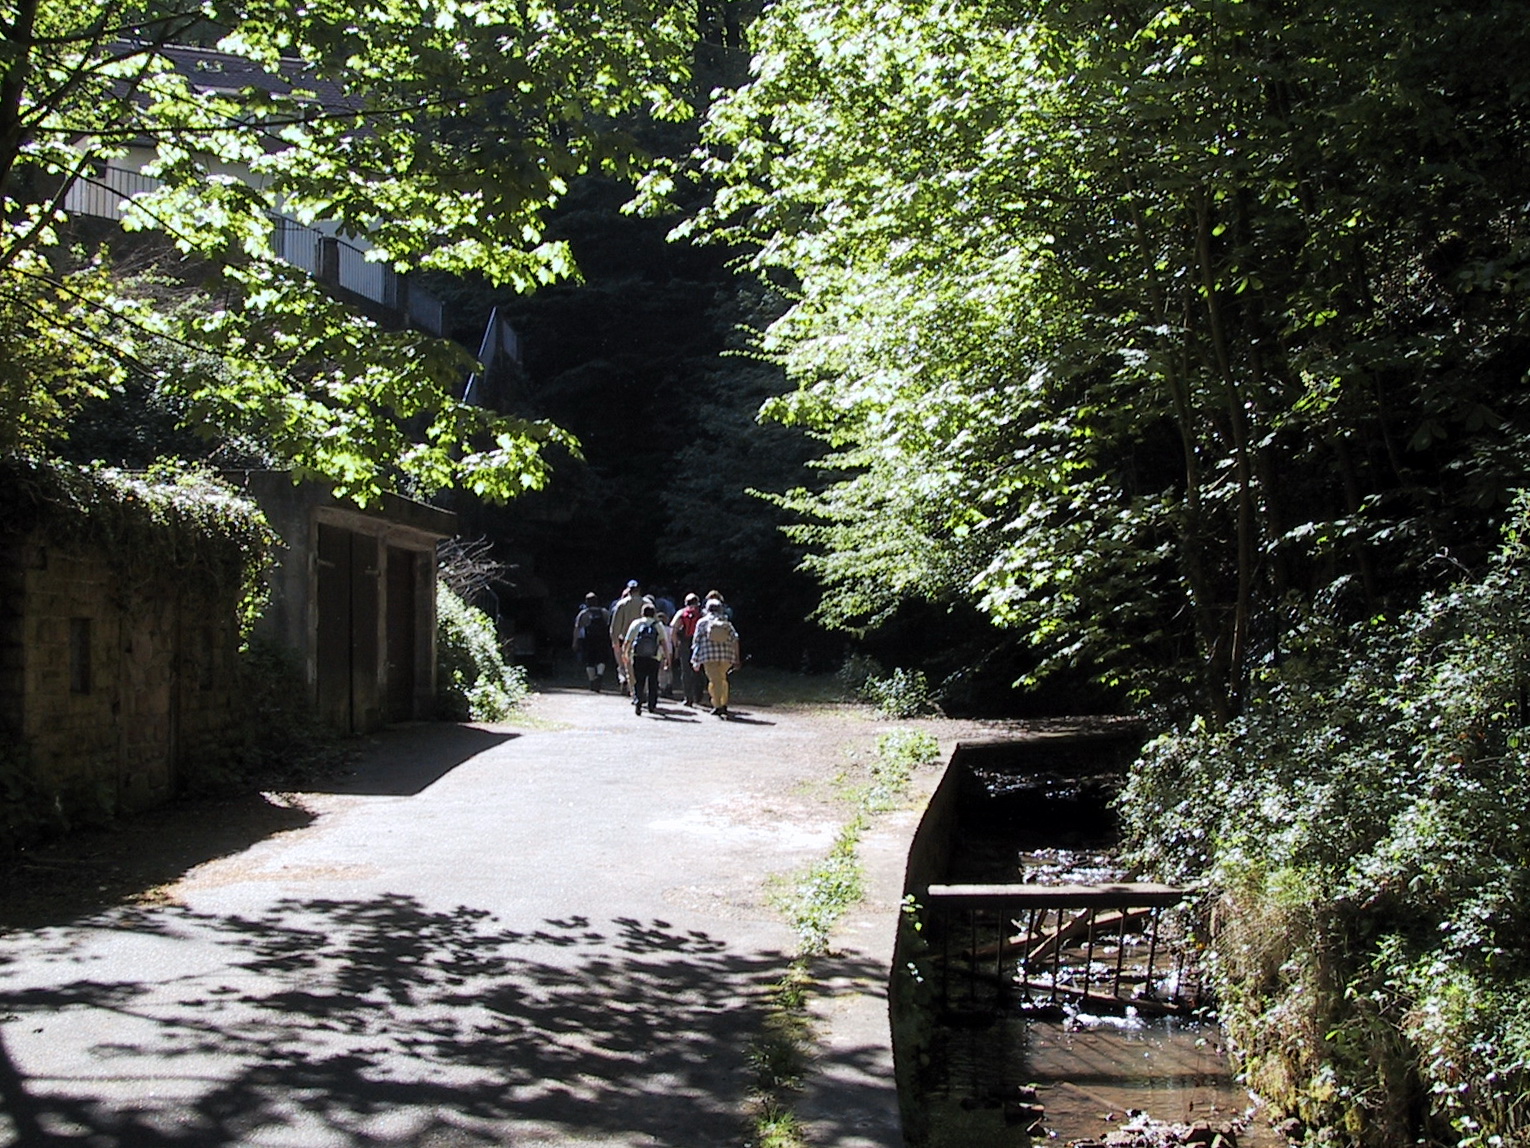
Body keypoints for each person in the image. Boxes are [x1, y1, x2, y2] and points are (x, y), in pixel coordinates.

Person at [691, 599, 741, 718]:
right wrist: (736, 658)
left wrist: (695, 659)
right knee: (722, 679)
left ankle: (718, 705)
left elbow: (696, 642)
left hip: (708, 656)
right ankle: (723, 703)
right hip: (726, 656)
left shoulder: (702, 622)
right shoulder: (726, 622)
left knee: (714, 681)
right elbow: (735, 639)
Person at [622, 603, 669, 715]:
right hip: (654, 657)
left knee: (639, 681)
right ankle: (651, 705)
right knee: (653, 681)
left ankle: (638, 701)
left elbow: (627, 641)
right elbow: (664, 643)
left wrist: (625, 654)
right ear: (654, 614)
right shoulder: (658, 625)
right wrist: (667, 658)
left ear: (642, 613)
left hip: (638, 656)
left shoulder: (636, 623)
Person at [666, 592, 705, 707]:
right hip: (698, 644)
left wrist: (676, 644)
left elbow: (673, 628)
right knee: (699, 670)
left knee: (686, 671)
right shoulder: (702, 614)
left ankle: (688, 698)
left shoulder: (682, 613)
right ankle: (698, 696)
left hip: (685, 642)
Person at [609, 580, 646, 695]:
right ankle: (642, 690)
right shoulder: (646, 602)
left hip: (626, 640)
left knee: (627, 665)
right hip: (644, 639)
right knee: (643, 666)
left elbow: (615, 627)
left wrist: (615, 641)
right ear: (639, 590)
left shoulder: (621, 604)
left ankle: (631, 688)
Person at [571, 592, 611, 691]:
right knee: (601, 659)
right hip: (602, 639)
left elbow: (577, 628)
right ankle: (600, 674)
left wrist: (575, 642)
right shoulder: (604, 612)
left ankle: (592, 680)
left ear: (586, 602)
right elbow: (610, 625)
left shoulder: (583, 614)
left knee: (589, 661)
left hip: (588, 640)